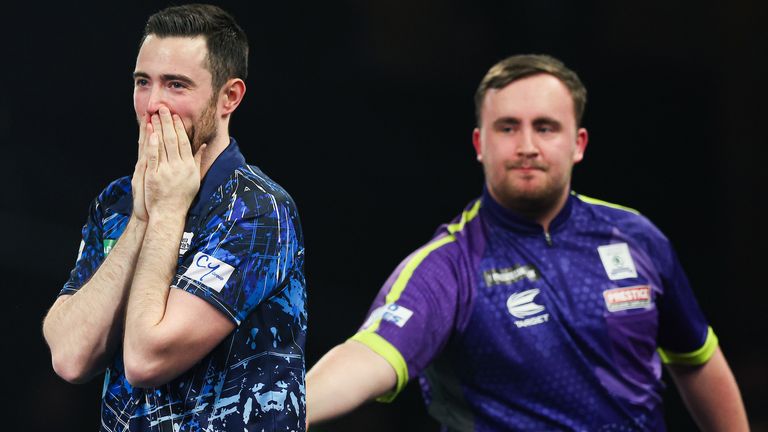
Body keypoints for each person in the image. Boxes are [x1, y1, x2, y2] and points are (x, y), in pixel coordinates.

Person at [306, 54, 748, 431]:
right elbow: (366, 357)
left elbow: (697, 358)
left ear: (579, 144)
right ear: (480, 143)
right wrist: (276, 410)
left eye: (546, 127)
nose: (527, 145)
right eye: (508, 128)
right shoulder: (449, 266)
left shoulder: (637, 238)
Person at [42, 4, 306, 431]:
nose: (153, 104)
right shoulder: (116, 203)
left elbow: (147, 358)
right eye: (143, 82)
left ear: (229, 97)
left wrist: (165, 212)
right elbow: (70, 356)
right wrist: (142, 219)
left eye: (176, 85)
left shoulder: (258, 209)